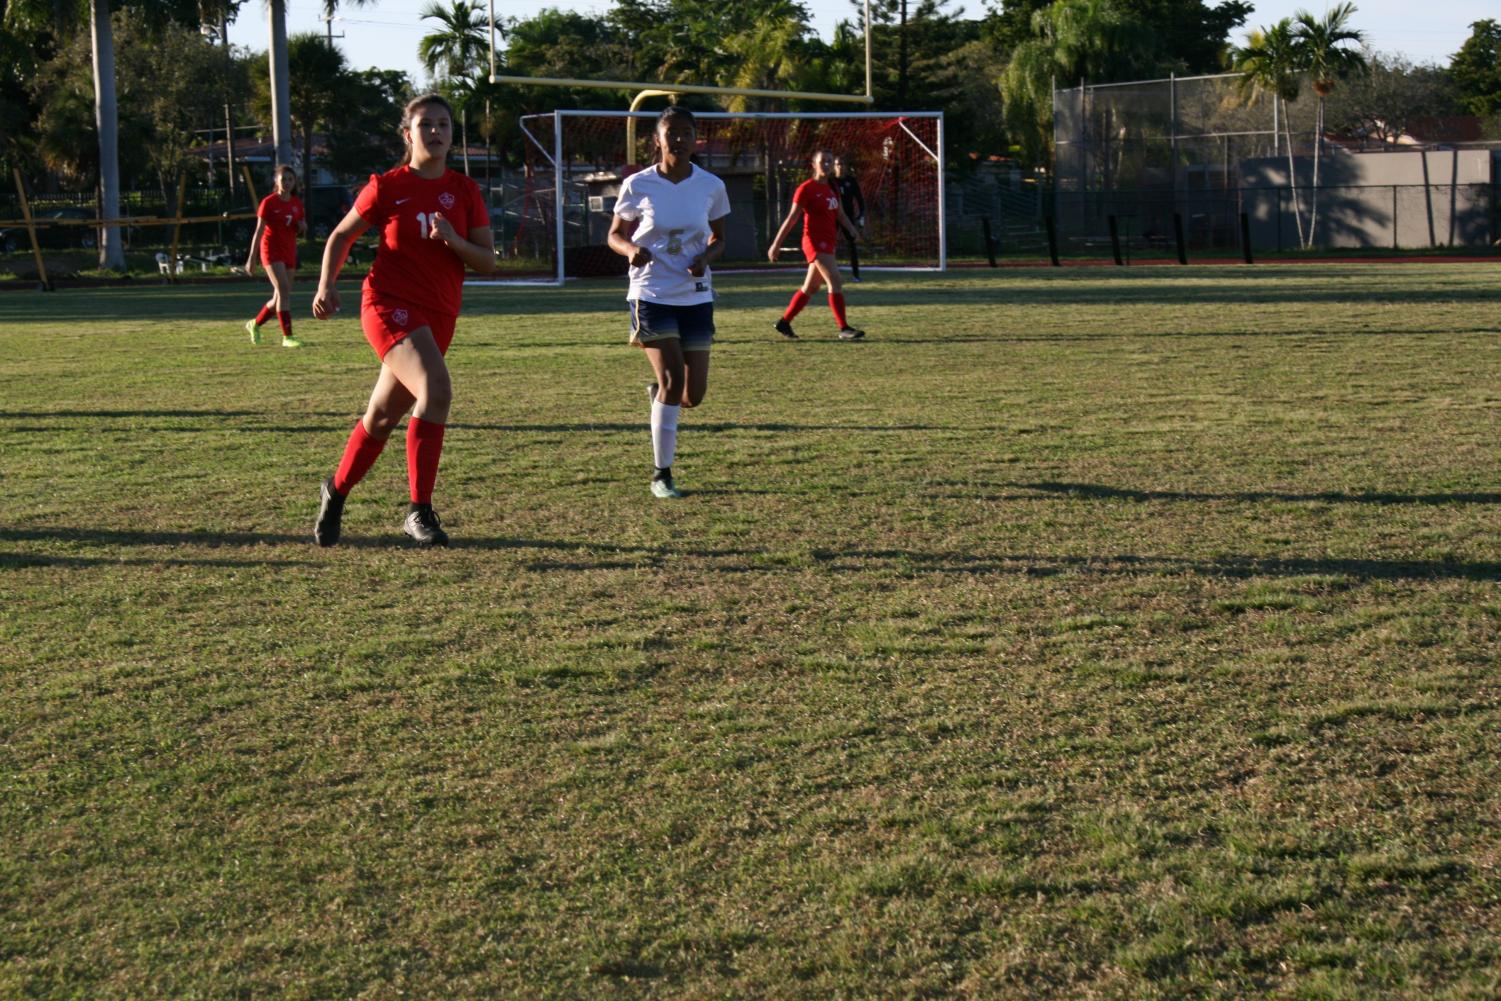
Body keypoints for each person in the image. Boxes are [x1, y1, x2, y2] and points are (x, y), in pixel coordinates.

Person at [309, 93, 496, 547]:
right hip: (387, 303)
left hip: (438, 315)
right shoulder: (387, 185)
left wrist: (452, 239)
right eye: (426, 124)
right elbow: (341, 235)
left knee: (380, 417)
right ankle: (419, 511)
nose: (436, 131)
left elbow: (487, 261)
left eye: (444, 124)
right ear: (408, 134)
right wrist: (325, 285)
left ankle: (334, 492)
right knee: (437, 389)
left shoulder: (465, 191)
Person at [606, 106, 729, 500]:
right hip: (651, 292)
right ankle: (662, 475)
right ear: (656, 140)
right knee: (674, 381)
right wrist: (629, 250)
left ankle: (659, 394)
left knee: (693, 396)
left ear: (697, 140)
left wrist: (704, 261)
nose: (678, 138)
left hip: (695, 295)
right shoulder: (638, 184)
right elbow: (613, 234)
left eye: (686, 132)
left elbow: (719, 238)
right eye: (670, 132)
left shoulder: (711, 185)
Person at [768, 150, 865, 340]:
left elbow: (841, 214)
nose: (827, 165)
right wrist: (776, 244)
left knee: (810, 288)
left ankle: (784, 322)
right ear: (814, 165)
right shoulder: (806, 189)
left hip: (828, 242)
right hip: (813, 242)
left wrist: (852, 230)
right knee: (835, 281)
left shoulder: (833, 187)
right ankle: (844, 328)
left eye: (830, 161)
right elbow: (791, 218)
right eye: (823, 161)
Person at [244, 165, 308, 347]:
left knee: (281, 295)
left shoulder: (296, 203)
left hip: (289, 250)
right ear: (276, 181)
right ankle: (287, 337)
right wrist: (251, 258)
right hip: (271, 251)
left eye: (290, 179)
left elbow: (300, 225)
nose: (286, 182)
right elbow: (258, 231)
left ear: (294, 182)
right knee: (283, 291)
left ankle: (254, 324)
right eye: (283, 179)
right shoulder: (269, 202)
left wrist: (302, 227)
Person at [830, 154, 865, 282]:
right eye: (838, 164)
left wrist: (861, 214)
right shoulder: (831, 181)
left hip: (847, 217)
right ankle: (828, 274)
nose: (840, 167)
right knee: (830, 245)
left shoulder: (851, 181)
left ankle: (856, 275)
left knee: (852, 244)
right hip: (833, 216)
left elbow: (860, 199)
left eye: (842, 164)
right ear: (834, 167)